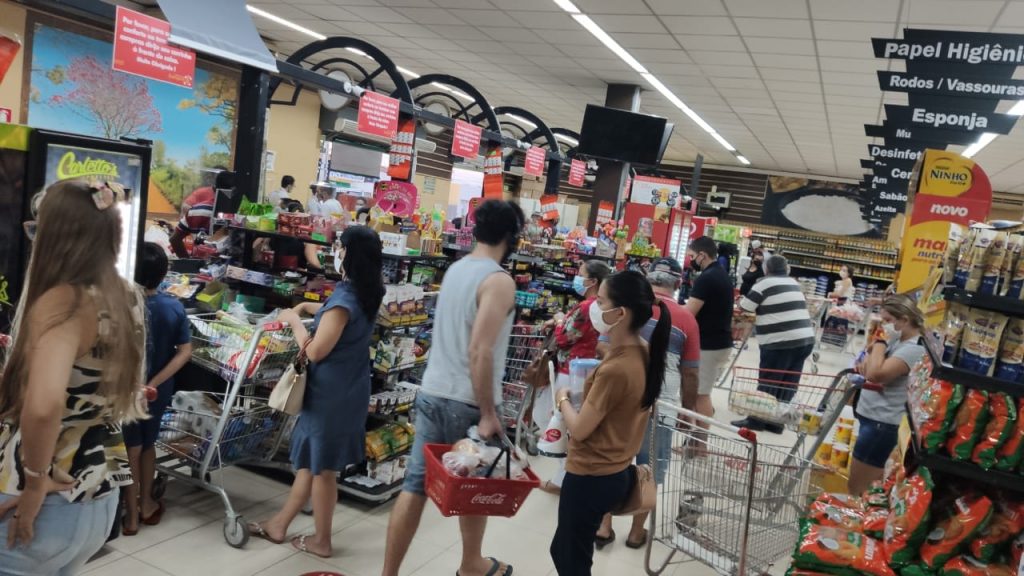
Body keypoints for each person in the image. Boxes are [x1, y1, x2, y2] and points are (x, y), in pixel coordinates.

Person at [0, 180, 146, 574]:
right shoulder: (127, 295)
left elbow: (45, 405)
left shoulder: (63, 301)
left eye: (38, 228)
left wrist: (33, 483)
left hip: (44, 497)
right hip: (98, 495)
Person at [383, 200, 524, 576]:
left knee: (413, 486)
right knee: (475, 485)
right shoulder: (498, 280)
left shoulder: (455, 269)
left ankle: (389, 573)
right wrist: (490, 413)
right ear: (511, 237)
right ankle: (471, 564)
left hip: (432, 391)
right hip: (468, 401)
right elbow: (480, 350)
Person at [248, 226, 384, 558]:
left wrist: (291, 320)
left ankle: (322, 541)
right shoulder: (369, 292)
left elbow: (315, 352)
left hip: (329, 394)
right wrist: (310, 309)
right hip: (350, 387)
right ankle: (280, 524)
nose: (334, 251)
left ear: (350, 255)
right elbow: (337, 321)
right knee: (312, 463)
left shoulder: (344, 300)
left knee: (322, 470)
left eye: (339, 246)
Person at [549, 270, 671, 575]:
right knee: (565, 550)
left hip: (590, 476)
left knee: (572, 561)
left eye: (600, 301)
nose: (593, 306)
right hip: (615, 472)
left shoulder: (616, 369)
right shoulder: (644, 354)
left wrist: (562, 398)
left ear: (620, 313)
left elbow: (579, 429)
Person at [595, 257, 700, 550]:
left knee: (612, 462)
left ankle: (604, 526)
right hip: (662, 404)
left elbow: (602, 345)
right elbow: (690, 373)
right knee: (649, 468)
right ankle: (636, 532)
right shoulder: (686, 318)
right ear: (679, 284)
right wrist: (687, 411)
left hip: (621, 398)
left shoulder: (625, 307)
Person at [121, 243, 192, 536]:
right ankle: (147, 504)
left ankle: (130, 515)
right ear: (163, 274)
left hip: (124, 389)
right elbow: (184, 351)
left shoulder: (121, 306)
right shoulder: (173, 306)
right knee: (148, 447)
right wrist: (154, 382)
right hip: (156, 392)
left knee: (130, 449)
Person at [534, 259, 613, 495]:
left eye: (581, 274)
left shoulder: (586, 306)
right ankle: (566, 474)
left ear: (593, 281)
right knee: (564, 422)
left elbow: (563, 338)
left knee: (552, 418)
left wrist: (559, 320)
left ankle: (563, 477)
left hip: (571, 371)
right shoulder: (601, 306)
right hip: (587, 369)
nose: (577, 278)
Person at [848, 295, 925, 495]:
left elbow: (876, 373)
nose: (884, 325)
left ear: (905, 320)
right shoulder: (899, 340)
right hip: (873, 420)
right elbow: (866, 363)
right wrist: (874, 355)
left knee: (859, 489)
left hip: (882, 425)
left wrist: (880, 342)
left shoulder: (914, 348)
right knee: (861, 484)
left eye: (888, 320)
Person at [733, 255, 815, 434]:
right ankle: (777, 422)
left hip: (781, 341)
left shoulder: (764, 284)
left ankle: (757, 420)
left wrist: (739, 300)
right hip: (805, 339)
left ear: (766, 269)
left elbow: (746, 307)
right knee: (788, 382)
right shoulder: (793, 283)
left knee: (769, 379)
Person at [684, 236, 732, 420]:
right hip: (720, 342)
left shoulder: (707, 278)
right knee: (702, 393)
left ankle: (700, 445)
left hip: (709, 345)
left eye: (692, 255)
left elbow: (690, 312)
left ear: (702, 255)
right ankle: (695, 442)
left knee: (700, 396)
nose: (690, 260)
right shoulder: (720, 273)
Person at [169, 168, 233, 258]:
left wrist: (187, 261)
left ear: (214, 188)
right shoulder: (236, 217)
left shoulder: (196, 211)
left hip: (199, 265)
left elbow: (174, 239)